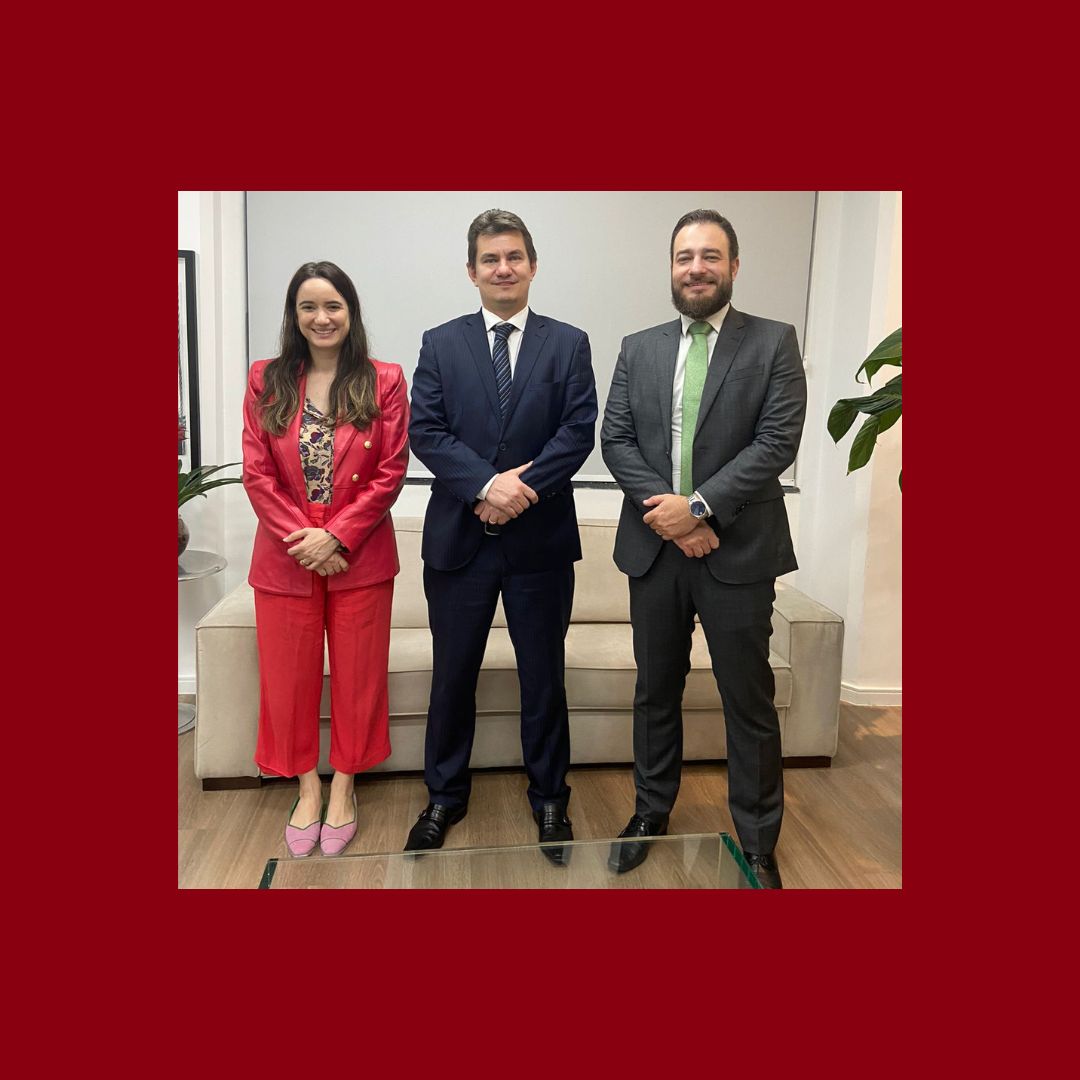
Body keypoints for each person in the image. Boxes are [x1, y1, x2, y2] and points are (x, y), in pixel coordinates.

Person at [600, 210, 806, 888]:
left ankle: (758, 841)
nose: (696, 268)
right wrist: (672, 518)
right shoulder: (638, 347)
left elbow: (776, 442)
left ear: (734, 266)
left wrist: (697, 509)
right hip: (654, 550)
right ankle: (650, 811)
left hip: (740, 552)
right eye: (684, 257)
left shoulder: (773, 341)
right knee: (655, 690)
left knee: (747, 699)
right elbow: (616, 440)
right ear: (670, 267)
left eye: (710, 256)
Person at [406, 209, 597, 863]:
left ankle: (550, 798)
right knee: (452, 676)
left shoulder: (568, 343)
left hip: (539, 543)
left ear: (533, 266)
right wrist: (487, 486)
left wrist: (520, 490)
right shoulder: (440, 342)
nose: (503, 268)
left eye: (514, 256)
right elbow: (426, 431)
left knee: (543, 678)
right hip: (459, 541)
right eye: (490, 259)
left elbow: (577, 431)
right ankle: (443, 797)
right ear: (472, 271)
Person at [242, 261, 409, 858]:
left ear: (350, 312)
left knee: (359, 678)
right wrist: (308, 541)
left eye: (333, 305)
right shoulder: (266, 379)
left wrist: (336, 537)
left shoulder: (384, 379)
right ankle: (307, 787)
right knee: (287, 681)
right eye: (308, 307)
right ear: (294, 316)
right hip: (285, 555)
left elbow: (390, 470)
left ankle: (343, 786)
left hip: (359, 554)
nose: (321, 318)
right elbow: (258, 473)